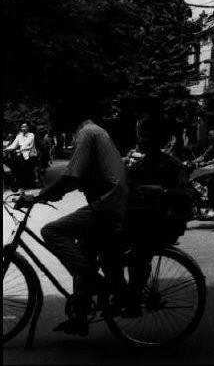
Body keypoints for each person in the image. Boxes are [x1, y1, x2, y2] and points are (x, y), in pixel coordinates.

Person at [22, 117, 130, 336]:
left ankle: (96, 283)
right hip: (111, 202)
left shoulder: (86, 133)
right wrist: (53, 193)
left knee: (51, 231)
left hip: (106, 206)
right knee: (82, 254)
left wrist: (39, 196)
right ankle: (79, 318)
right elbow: (81, 178)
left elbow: (71, 177)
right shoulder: (96, 131)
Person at [120, 114, 195, 316]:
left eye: (145, 136)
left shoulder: (172, 165)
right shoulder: (137, 168)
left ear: (156, 140)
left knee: (136, 254)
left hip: (163, 225)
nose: (141, 140)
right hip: (139, 223)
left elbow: (188, 195)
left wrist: (162, 192)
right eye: (140, 136)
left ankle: (133, 298)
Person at [4, 122, 38, 189]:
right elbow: (13, 145)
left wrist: (21, 149)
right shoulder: (19, 136)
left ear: (28, 128)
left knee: (23, 168)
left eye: (25, 127)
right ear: (20, 128)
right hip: (21, 155)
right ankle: (16, 182)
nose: (24, 128)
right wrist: (6, 149)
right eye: (22, 127)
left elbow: (27, 143)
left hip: (30, 156)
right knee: (12, 165)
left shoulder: (31, 135)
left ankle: (27, 183)